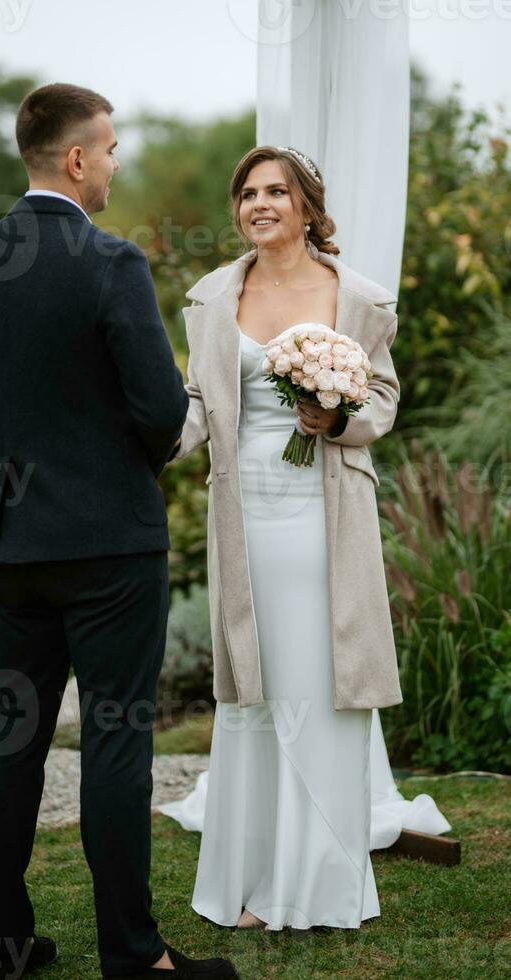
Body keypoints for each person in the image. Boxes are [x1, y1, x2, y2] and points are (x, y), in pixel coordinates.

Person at [0, 82, 238, 980]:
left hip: (10, 544)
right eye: (108, 149)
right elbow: (156, 409)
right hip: (109, 545)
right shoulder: (112, 263)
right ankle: (137, 959)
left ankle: (9, 949)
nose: (114, 163)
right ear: (75, 159)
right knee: (115, 738)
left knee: (11, 739)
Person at [168, 146, 403, 931]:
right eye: (247, 193)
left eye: (276, 191)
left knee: (322, 683)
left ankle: (319, 882)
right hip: (247, 519)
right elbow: (199, 403)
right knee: (254, 693)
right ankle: (247, 877)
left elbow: (384, 398)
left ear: (307, 206)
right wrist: (146, 436)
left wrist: (337, 418)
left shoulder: (358, 297)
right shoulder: (210, 297)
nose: (259, 203)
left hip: (326, 515)